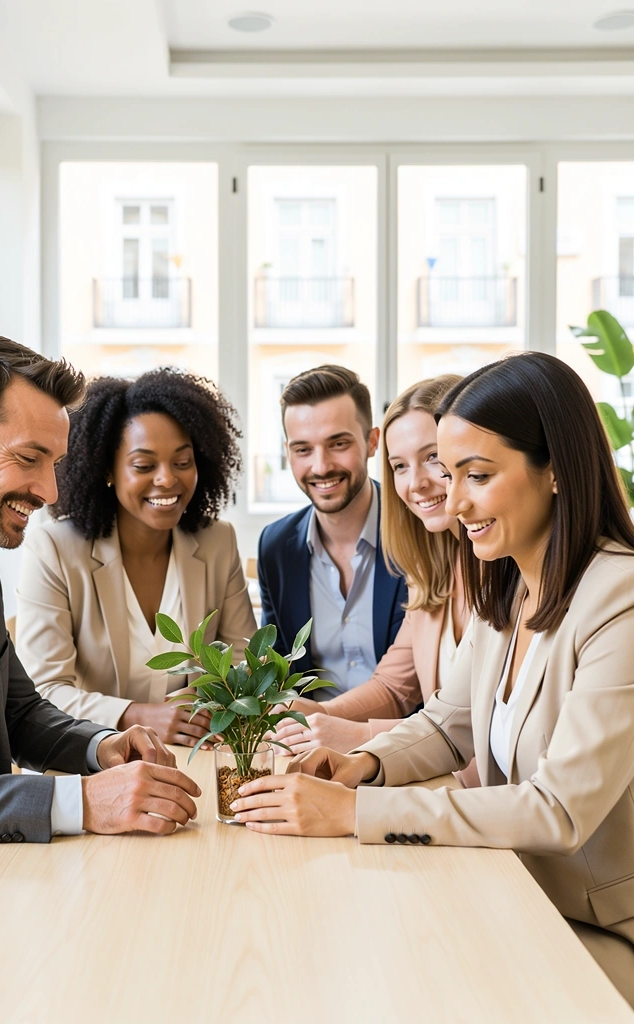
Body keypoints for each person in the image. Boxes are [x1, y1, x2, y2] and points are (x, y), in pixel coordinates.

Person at [231, 352, 634, 1005]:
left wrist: (356, 812)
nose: (453, 498)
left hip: (587, 925)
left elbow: (557, 811)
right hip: (504, 891)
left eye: (476, 475)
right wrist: (357, 764)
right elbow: (449, 725)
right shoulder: (510, 584)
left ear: (555, 469)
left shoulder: (620, 599)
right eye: (452, 474)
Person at [0, 335, 201, 1009]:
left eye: (56, 462)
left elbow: (18, 713)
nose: (50, 491)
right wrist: (78, 802)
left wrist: (98, 747)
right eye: (29, 460)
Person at [16, 370, 257, 746]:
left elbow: (245, 664)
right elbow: (43, 691)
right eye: (144, 466)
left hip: (195, 756)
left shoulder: (217, 542)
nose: (167, 479)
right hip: (92, 760)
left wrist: (203, 704)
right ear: (108, 470)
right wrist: (136, 716)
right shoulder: (55, 549)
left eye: (183, 461)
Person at [273, 375, 479, 790]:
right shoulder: (435, 568)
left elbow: (466, 730)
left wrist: (358, 738)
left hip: (467, 798)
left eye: (434, 458)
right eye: (400, 465)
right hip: (439, 789)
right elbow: (393, 685)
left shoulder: (509, 572)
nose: (416, 482)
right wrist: (316, 715)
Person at [257, 365, 407, 699]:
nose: (321, 466)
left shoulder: (417, 531)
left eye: (337, 443)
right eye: (303, 449)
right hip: (308, 745)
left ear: (372, 442)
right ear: (288, 453)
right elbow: (279, 671)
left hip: (399, 744)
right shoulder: (276, 547)